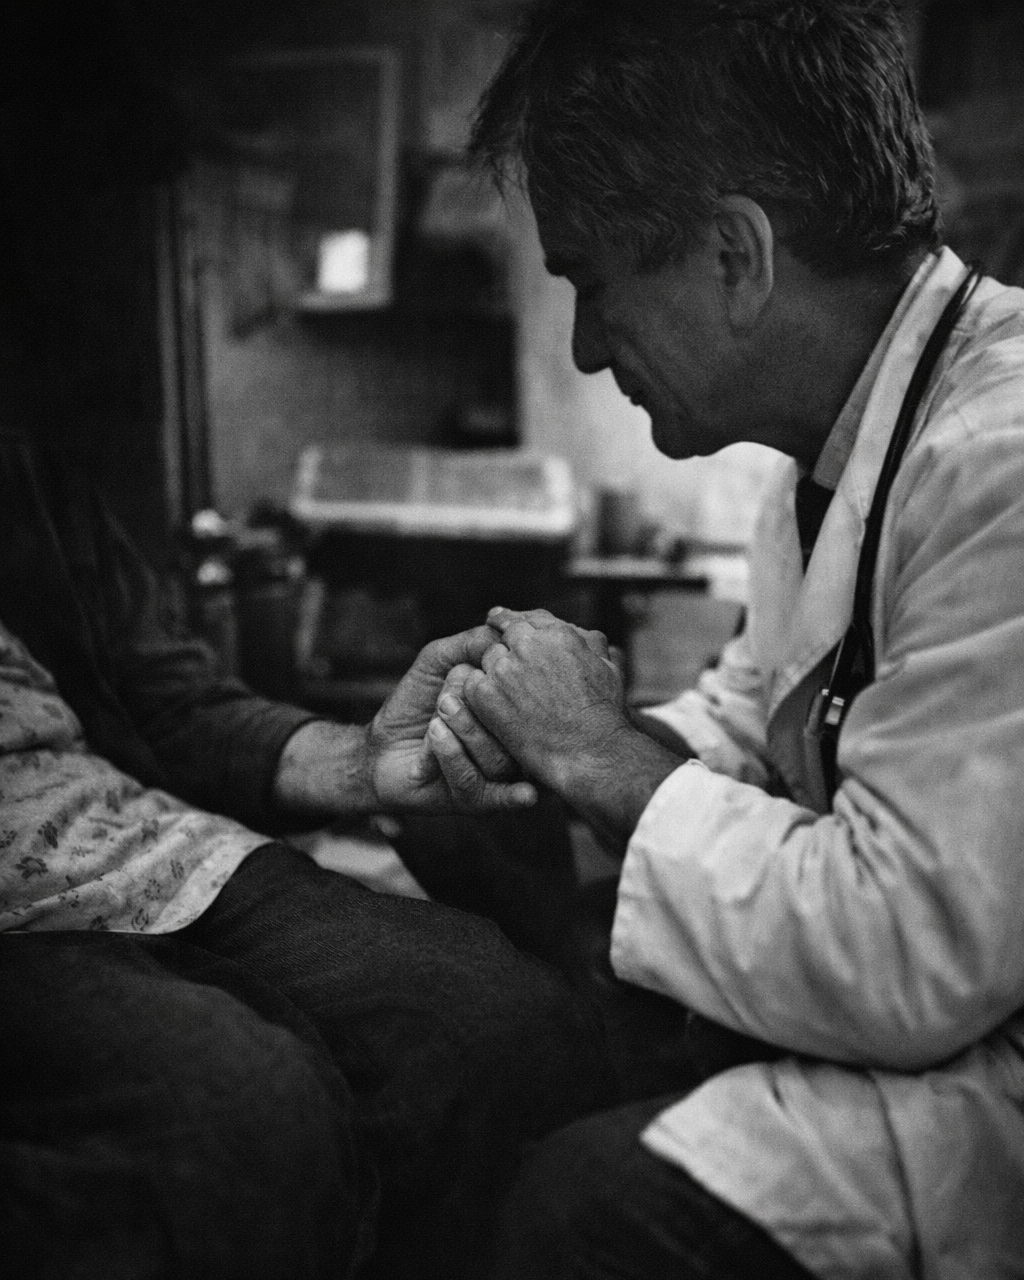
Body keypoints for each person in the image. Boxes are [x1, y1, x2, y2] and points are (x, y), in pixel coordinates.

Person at [420, 2, 1024, 1277]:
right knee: (501, 968)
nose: (586, 348)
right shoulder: (841, 447)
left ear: (735, 258)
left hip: (983, 1067)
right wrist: (527, 746)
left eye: (591, 280)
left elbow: (907, 946)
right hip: (930, 1010)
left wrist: (599, 756)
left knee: (579, 1206)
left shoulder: (1002, 462)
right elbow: (760, 724)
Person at [0, 428, 616, 1279]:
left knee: (499, 1023)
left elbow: (171, 706)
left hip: (149, 841)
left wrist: (368, 761)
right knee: (236, 1108)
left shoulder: (23, 468)